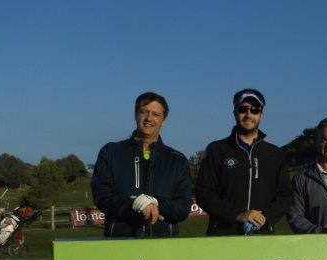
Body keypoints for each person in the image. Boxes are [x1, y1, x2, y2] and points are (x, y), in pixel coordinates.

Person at [91, 92, 193, 237]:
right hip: (120, 242)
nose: (149, 118)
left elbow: (183, 208)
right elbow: (102, 196)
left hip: (164, 246)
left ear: (164, 120)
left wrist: (156, 202)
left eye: (156, 114)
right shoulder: (111, 152)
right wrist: (135, 204)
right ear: (135, 115)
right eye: (143, 112)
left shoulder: (177, 160)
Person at [195, 88, 292, 236]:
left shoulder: (275, 154)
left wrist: (264, 217)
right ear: (235, 112)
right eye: (242, 109)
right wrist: (238, 215)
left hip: (263, 237)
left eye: (255, 110)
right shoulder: (217, 149)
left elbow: (285, 196)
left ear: (261, 115)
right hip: (223, 236)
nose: (248, 115)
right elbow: (204, 193)